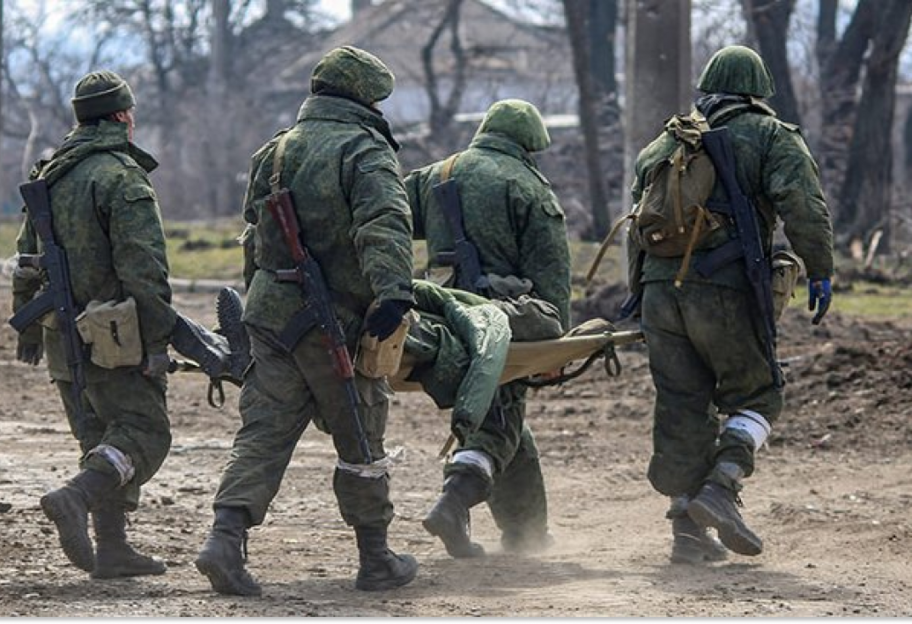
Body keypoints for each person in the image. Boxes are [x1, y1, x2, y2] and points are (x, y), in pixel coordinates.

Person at [194, 46, 418, 596]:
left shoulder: (272, 152)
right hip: (334, 320)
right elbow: (383, 222)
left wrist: (255, 309)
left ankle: (224, 540)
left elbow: (253, 236)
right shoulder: (364, 150)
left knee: (264, 432)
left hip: (270, 315)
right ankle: (375, 558)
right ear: (365, 98)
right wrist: (394, 293)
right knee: (361, 435)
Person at [630, 46, 834, 563]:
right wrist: (822, 268)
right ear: (758, 90)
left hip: (659, 295)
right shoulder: (770, 136)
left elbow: (637, 225)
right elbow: (803, 207)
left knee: (682, 404)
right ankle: (722, 487)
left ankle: (686, 529)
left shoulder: (664, 143)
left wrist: (638, 297)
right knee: (759, 394)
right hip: (722, 291)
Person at [12, 70, 176, 579]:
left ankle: (112, 548)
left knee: (100, 438)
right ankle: (75, 497)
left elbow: (25, 258)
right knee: (145, 433)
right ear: (124, 116)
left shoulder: (49, 172)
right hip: (115, 337)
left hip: (60, 334)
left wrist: (28, 331)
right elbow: (144, 268)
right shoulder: (120, 176)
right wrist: (157, 341)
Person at [404, 99, 571, 557]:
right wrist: (558, 348)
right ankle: (455, 498)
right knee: (502, 412)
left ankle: (526, 534)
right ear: (528, 145)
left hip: (439, 317)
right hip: (500, 324)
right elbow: (552, 277)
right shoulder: (529, 188)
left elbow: (388, 222)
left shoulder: (435, 176)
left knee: (505, 418)